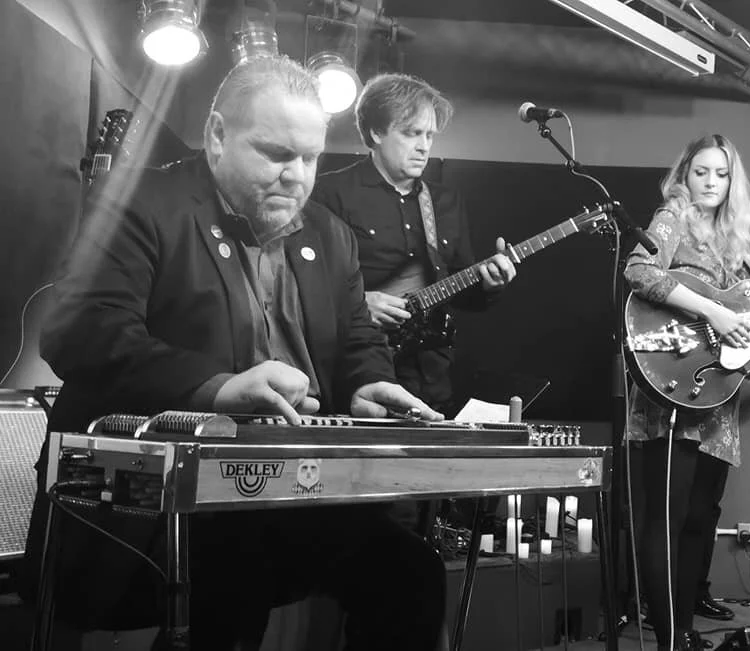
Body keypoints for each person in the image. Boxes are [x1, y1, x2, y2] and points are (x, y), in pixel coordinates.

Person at [20, 56, 448, 651]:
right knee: (234, 570)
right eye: (276, 154)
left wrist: (365, 383)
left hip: (289, 492)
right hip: (154, 504)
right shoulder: (138, 202)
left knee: (411, 573)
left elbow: (357, 338)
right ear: (218, 135)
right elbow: (79, 331)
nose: (297, 177)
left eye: (311, 158)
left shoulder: (330, 234)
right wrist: (217, 387)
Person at [623, 134, 750, 650]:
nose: (711, 182)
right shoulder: (671, 218)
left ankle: (684, 630)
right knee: (666, 520)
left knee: (699, 521)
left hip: (716, 403)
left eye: (721, 173)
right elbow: (638, 270)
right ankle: (667, 637)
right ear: (684, 176)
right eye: (701, 172)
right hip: (670, 388)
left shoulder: (734, 246)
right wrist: (713, 311)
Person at [312, 73, 517, 418]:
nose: (424, 146)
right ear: (376, 132)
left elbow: (460, 290)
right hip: (358, 379)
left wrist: (490, 285)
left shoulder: (446, 202)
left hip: (433, 378)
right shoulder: (330, 194)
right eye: (411, 133)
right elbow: (302, 289)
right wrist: (357, 305)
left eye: (429, 135)